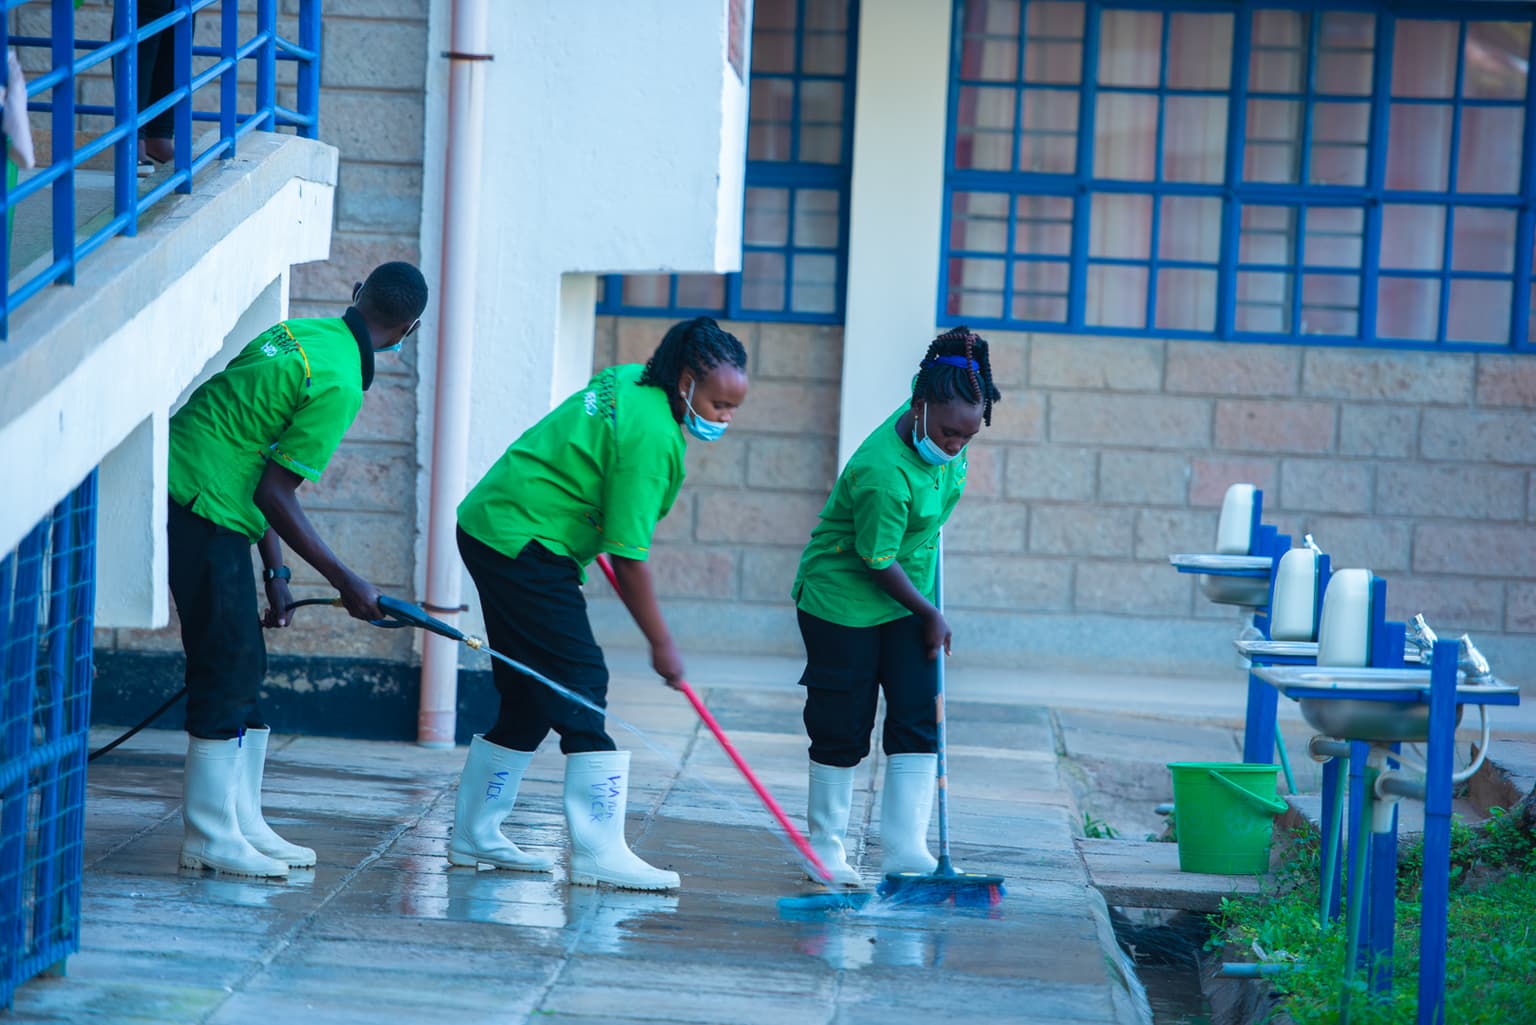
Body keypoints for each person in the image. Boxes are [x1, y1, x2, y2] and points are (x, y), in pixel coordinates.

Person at [449, 316, 748, 891]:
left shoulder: (633, 379)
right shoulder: (653, 439)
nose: (725, 418)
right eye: (718, 404)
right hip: (523, 541)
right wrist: (662, 644)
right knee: (582, 681)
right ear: (686, 382)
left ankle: (475, 833)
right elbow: (630, 560)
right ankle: (599, 852)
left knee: (534, 691)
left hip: (496, 522)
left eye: (735, 408)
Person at [166, 261, 429, 878]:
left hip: (201, 486)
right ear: (408, 329)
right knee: (226, 667)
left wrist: (277, 576)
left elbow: (261, 460)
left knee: (245, 665)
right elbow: (275, 493)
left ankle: (242, 822)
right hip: (199, 501)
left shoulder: (302, 333)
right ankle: (208, 836)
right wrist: (347, 581)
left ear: (357, 292)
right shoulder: (339, 382)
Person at [789, 326, 1002, 885]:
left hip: (910, 595)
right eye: (949, 433)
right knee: (842, 722)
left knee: (918, 714)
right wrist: (929, 613)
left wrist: (925, 605)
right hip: (843, 598)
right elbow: (877, 559)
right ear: (918, 405)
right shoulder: (883, 471)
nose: (955, 446)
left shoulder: (947, 428)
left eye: (968, 437)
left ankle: (907, 851)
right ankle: (825, 851)